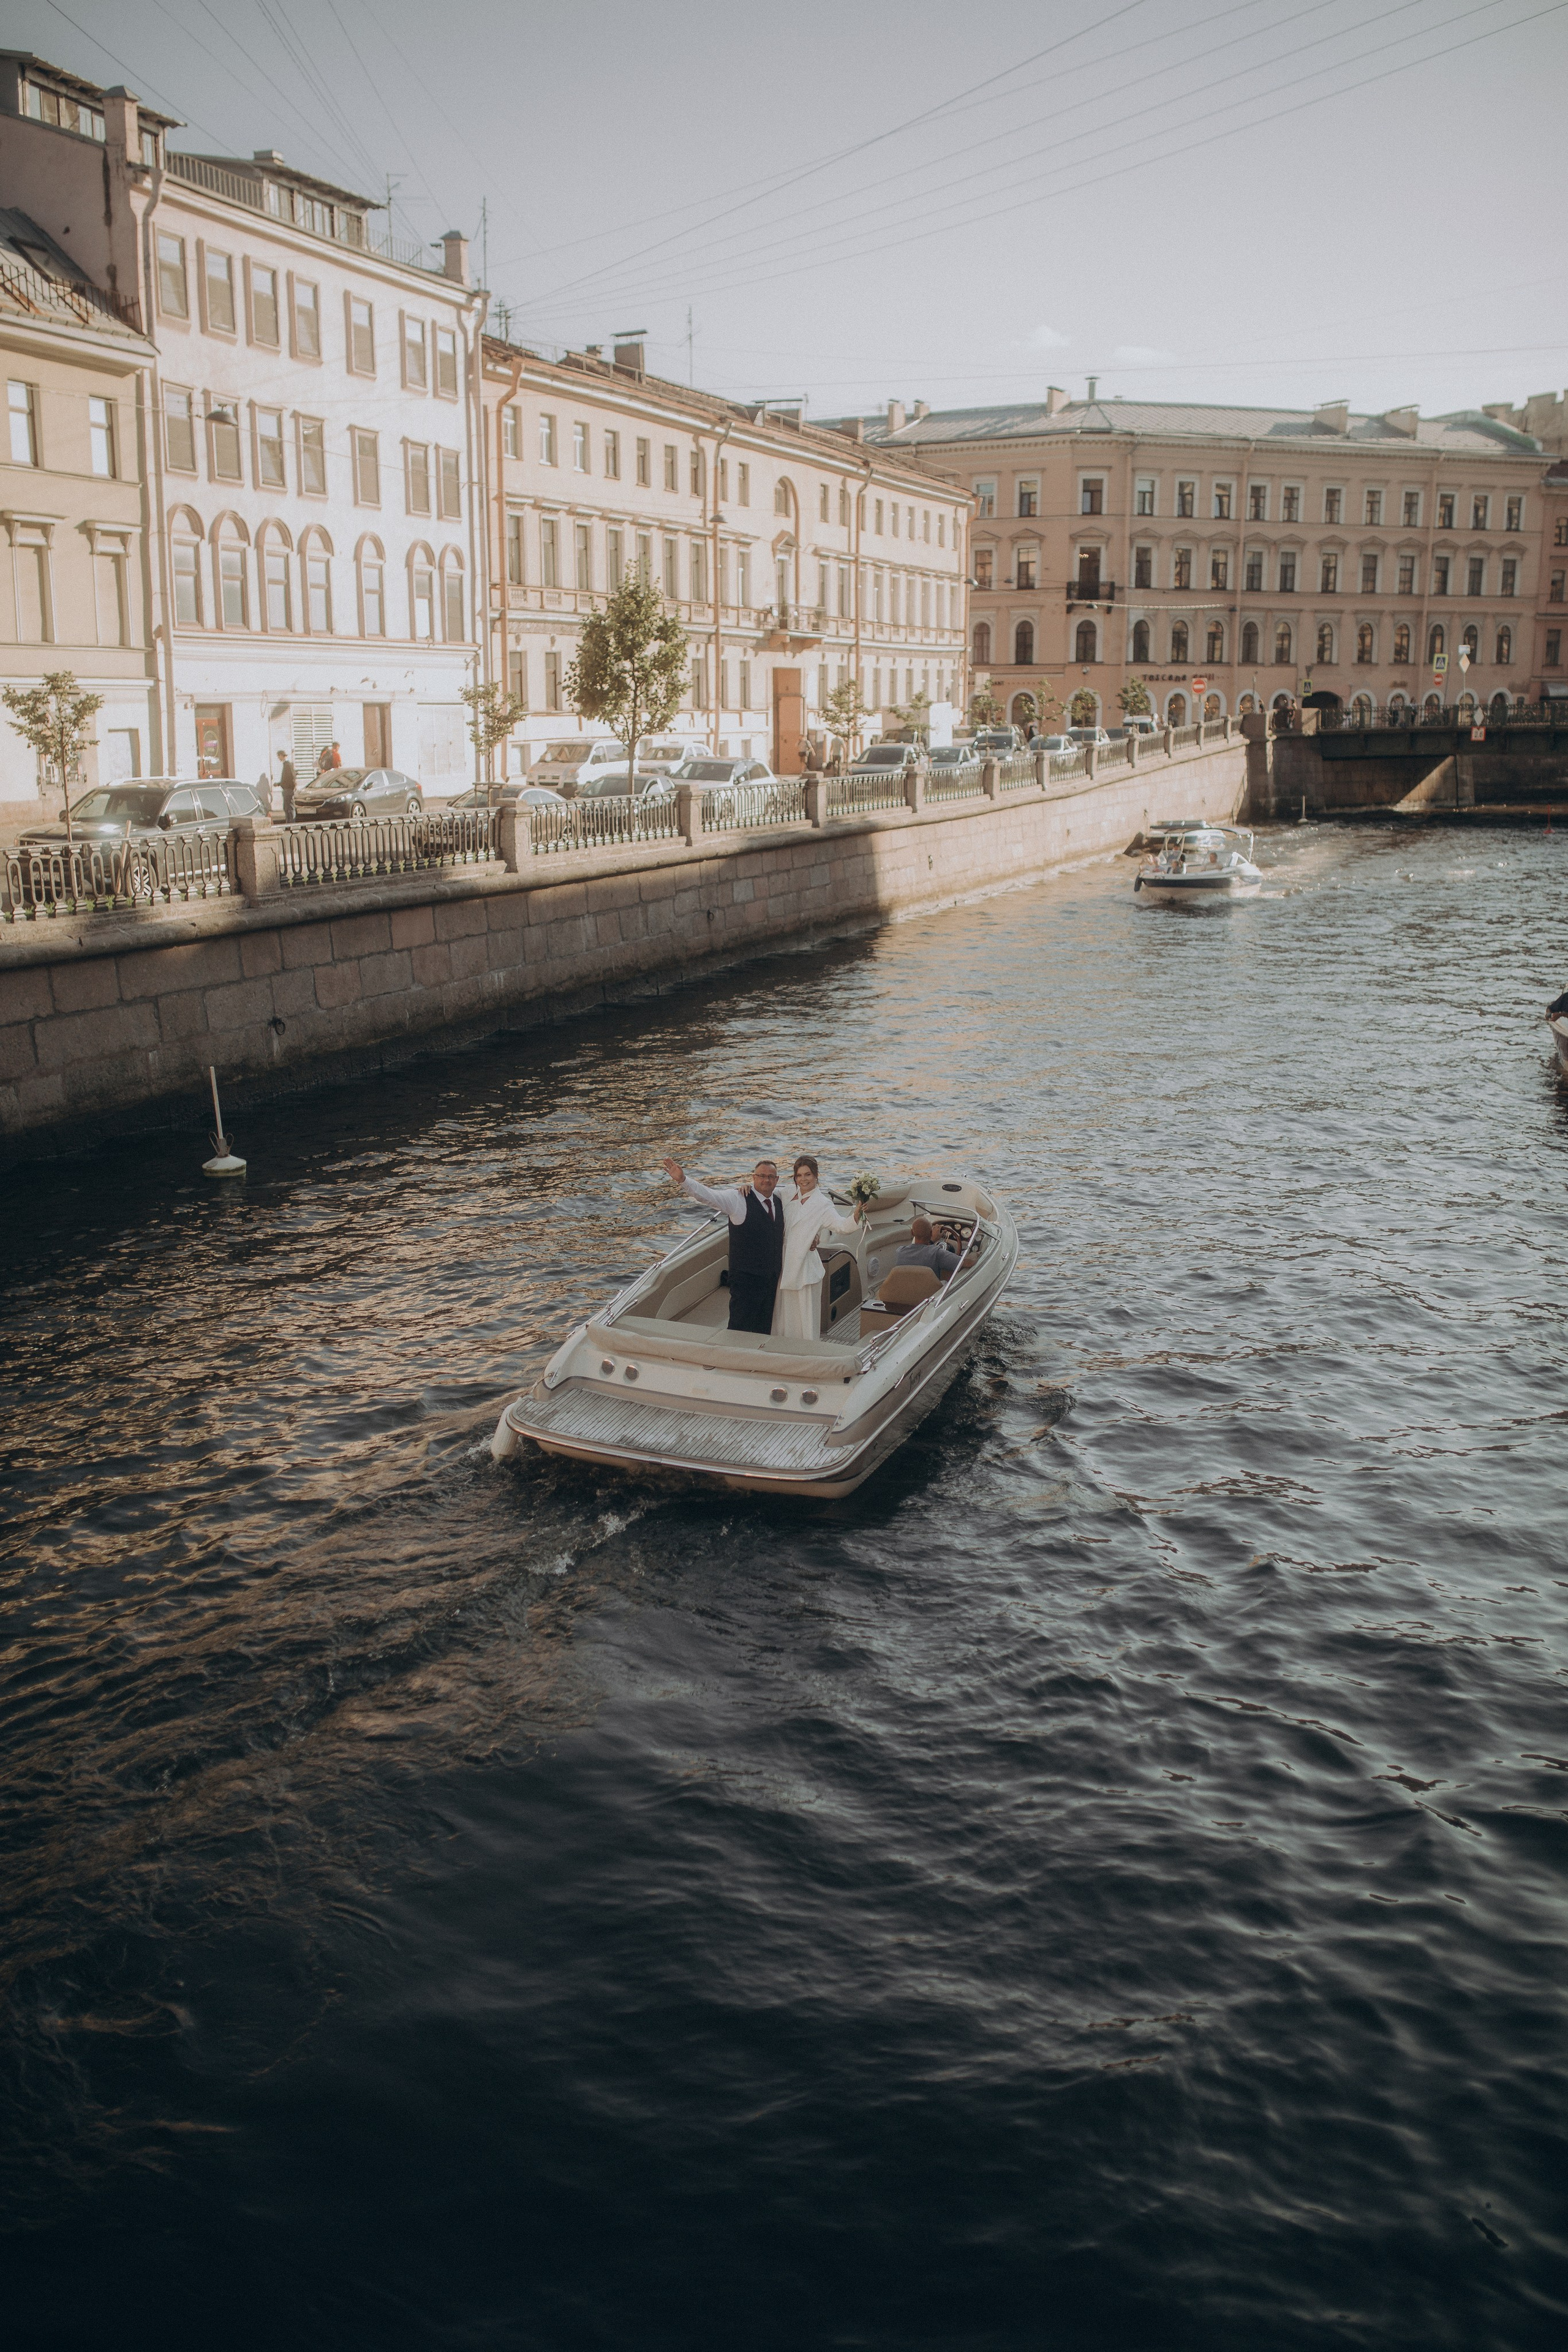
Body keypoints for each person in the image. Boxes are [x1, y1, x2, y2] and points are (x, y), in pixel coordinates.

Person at [663, 1154, 785, 1335]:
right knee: (740, 1328)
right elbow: (708, 1196)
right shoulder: (737, 1199)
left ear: (777, 1180)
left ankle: (757, 1359)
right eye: (761, 1176)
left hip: (771, 1278)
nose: (766, 1180)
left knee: (764, 1325)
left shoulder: (779, 1201)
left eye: (770, 1177)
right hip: (746, 1280)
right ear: (753, 1178)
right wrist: (683, 1180)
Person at [772, 1155, 859, 1342]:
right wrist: (746, 1189)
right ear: (794, 1177)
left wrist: (857, 1216)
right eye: (799, 1175)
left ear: (816, 1175)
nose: (803, 1179)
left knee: (805, 1317)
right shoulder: (788, 1193)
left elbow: (842, 1226)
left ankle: (807, 1352)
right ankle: (783, 1350)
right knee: (784, 1315)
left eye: (808, 1174)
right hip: (784, 1262)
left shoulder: (823, 1204)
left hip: (805, 1267)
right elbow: (767, 1191)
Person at [895, 1216, 961, 1279]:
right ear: (931, 1233)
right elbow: (964, 1263)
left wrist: (932, 1241)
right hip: (931, 1290)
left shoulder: (900, 1252)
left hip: (908, 1288)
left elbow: (919, 1251)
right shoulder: (937, 1253)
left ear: (912, 1232)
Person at [278, 752, 298, 823]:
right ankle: (289, 822)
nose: (279, 758)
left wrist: (293, 786)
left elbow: (291, 777)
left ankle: (291, 822)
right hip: (287, 788)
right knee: (287, 807)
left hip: (288, 789)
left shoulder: (287, 765)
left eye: (279, 756)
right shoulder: (287, 765)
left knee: (290, 807)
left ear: (281, 755)